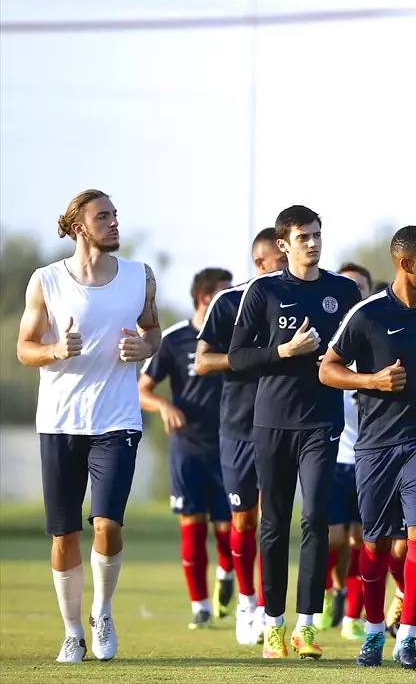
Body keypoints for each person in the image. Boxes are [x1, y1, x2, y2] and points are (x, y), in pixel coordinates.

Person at [16, 189, 161, 663]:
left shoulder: (140, 277)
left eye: (116, 216)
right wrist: (57, 351)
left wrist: (145, 348)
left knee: (107, 524)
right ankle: (73, 631)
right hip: (59, 421)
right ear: (80, 226)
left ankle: (102, 611)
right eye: (104, 217)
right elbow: (24, 347)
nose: (114, 223)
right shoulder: (46, 280)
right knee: (64, 535)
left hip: (117, 420)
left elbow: (152, 330)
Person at [319, 225, 416, 670]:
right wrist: (371, 381)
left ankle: (408, 637)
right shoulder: (367, 314)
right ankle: (373, 634)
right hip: (376, 446)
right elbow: (328, 369)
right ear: (405, 264)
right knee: (376, 541)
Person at [229, 205, 363, 659]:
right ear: (283, 244)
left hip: (323, 422)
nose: (313, 242)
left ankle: (306, 627)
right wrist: (284, 350)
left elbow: (362, 347)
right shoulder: (263, 291)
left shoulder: (343, 291)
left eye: (318, 235)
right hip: (271, 422)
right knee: (273, 524)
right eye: (303, 236)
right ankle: (273, 625)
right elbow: (237, 358)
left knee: (316, 521)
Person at [194, 227, 286, 645]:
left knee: (273, 519)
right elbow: (202, 362)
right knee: (243, 519)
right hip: (236, 427)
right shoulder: (229, 302)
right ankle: (245, 600)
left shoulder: (299, 301)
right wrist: (253, 358)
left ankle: (270, 608)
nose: (288, 268)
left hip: (282, 425)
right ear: (261, 262)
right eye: (280, 261)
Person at [138, 267, 234, 630]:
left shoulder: (233, 338)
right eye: (226, 294)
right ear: (206, 298)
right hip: (187, 449)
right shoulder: (176, 339)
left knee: (230, 527)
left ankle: (227, 571)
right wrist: (164, 406)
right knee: (193, 524)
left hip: (230, 447)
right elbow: (143, 390)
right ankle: (200, 605)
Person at [319, 262, 373, 639]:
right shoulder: (328, 346)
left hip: (370, 458)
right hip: (332, 457)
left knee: (362, 539)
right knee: (332, 537)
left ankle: (354, 611)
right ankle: (328, 591)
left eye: (361, 289)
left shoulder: (380, 343)